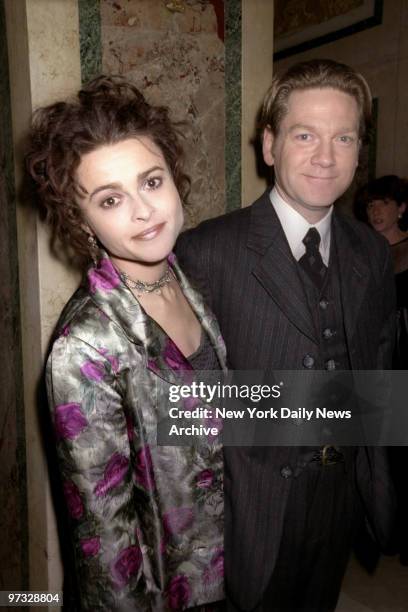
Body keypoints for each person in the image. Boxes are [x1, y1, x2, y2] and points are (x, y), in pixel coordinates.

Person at [176, 59, 396, 611]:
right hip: (249, 509)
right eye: (305, 135)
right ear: (269, 145)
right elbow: (180, 408)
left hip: (342, 495)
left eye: (343, 137)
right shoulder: (206, 251)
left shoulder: (371, 250)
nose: (326, 156)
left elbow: (381, 369)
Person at [26, 76, 226, 611]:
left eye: (152, 182)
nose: (143, 211)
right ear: (83, 221)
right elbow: (103, 543)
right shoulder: (84, 347)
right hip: (165, 594)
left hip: (225, 569)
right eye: (110, 198)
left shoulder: (185, 280)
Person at [355, 175, 408, 565]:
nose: (376, 211)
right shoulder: (362, 253)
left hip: (404, 357)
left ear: (402, 208)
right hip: (373, 363)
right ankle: (377, 529)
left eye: (384, 203)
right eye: (371, 204)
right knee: (379, 452)